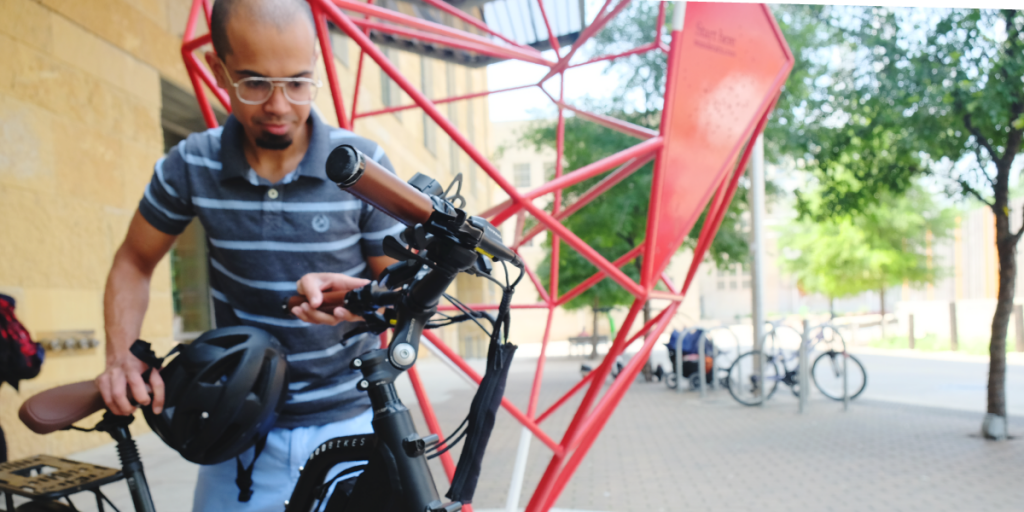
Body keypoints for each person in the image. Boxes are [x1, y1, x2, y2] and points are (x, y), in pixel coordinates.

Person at [94, 0, 402, 509]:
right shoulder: (190, 163)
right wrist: (120, 355)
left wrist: (366, 300)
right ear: (219, 70)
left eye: (298, 82)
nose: (279, 105)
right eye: (254, 82)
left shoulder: (361, 167)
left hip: (354, 422)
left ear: (315, 68)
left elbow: (400, 291)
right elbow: (133, 262)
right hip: (233, 431)